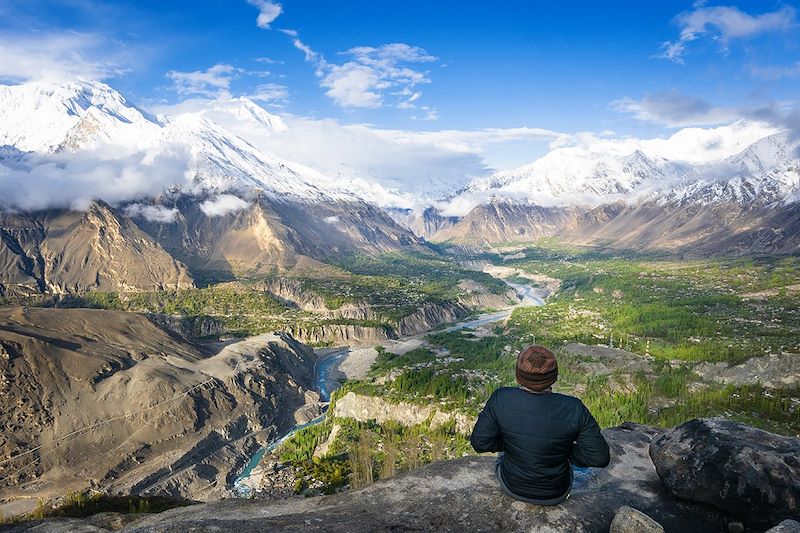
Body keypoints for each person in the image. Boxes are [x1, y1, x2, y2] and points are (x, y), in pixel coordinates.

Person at [470, 345, 610, 505]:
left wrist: (511, 444)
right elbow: (599, 457)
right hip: (556, 492)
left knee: (502, 455)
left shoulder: (500, 398)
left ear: (518, 376)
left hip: (512, 486)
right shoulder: (574, 407)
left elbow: (480, 443)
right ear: (554, 377)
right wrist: (564, 452)